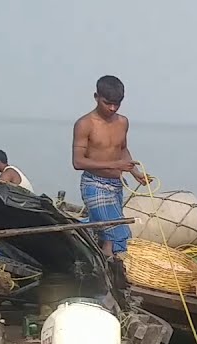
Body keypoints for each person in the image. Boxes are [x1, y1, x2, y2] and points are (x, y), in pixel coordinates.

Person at [71, 75, 152, 257]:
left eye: (117, 104)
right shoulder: (84, 124)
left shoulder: (122, 122)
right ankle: (116, 268)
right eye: (107, 103)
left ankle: (102, 265)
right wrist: (115, 164)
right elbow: (78, 161)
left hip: (116, 185)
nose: (112, 108)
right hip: (94, 184)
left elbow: (122, 149)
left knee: (104, 232)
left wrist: (135, 172)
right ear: (96, 97)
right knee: (118, 233)